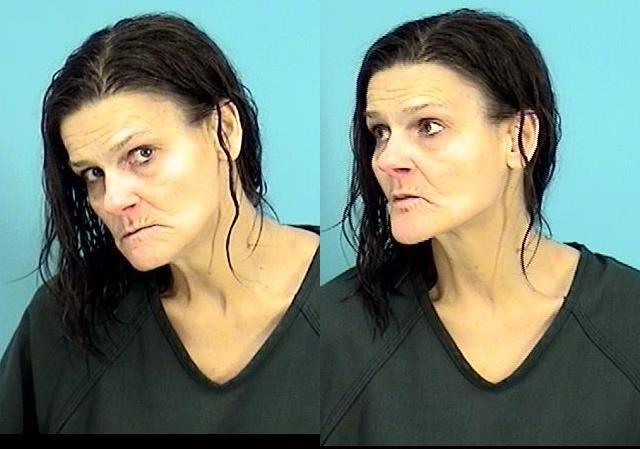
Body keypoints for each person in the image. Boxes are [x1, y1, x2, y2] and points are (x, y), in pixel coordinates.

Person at [320, 8, 640, 445]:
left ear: (521, 137)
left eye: (428, 126)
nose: (388, 159)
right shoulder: (333, 333)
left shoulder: (627, 322)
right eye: (380, 131)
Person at [0, 13, 319, 433]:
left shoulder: (355, 306)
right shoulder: (65, 323)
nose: (113, 200)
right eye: (93, 173)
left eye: (142, 154)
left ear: (225, 130)